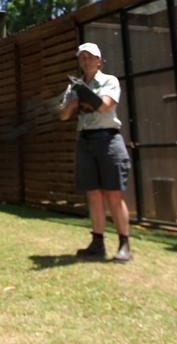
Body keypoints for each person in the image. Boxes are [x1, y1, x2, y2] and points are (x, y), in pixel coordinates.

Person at [58, 41, 132, 262]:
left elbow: (104, 105)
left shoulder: (110, 81)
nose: (86, 60)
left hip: (108, 140)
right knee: (93, 193)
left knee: (113, 193)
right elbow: (63, 115)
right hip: (86, 141)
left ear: (99, 60)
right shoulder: (74, 86)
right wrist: (73, 101)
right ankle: (97, 243)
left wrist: (83, 95)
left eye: (90, 57)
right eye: (82, 57)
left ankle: (124, 244)